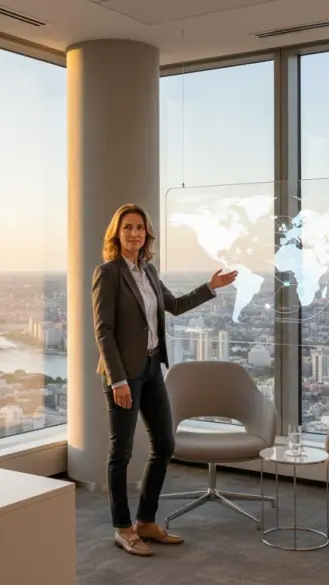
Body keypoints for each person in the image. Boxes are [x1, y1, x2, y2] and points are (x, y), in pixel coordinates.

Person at [92, 203, 238, 557]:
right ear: (117, 233)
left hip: (153, 368)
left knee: (164, 444)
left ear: (147, 234)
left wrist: (210, 286)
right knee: (121, 452)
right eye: (127, 227)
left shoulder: (149, 271)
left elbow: (174, 304)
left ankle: (145, 520)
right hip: (123, 375)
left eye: (140, 228)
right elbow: (104, 331)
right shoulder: (108, 273)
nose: (134, 233)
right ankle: (123, 528)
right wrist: (118, 380)